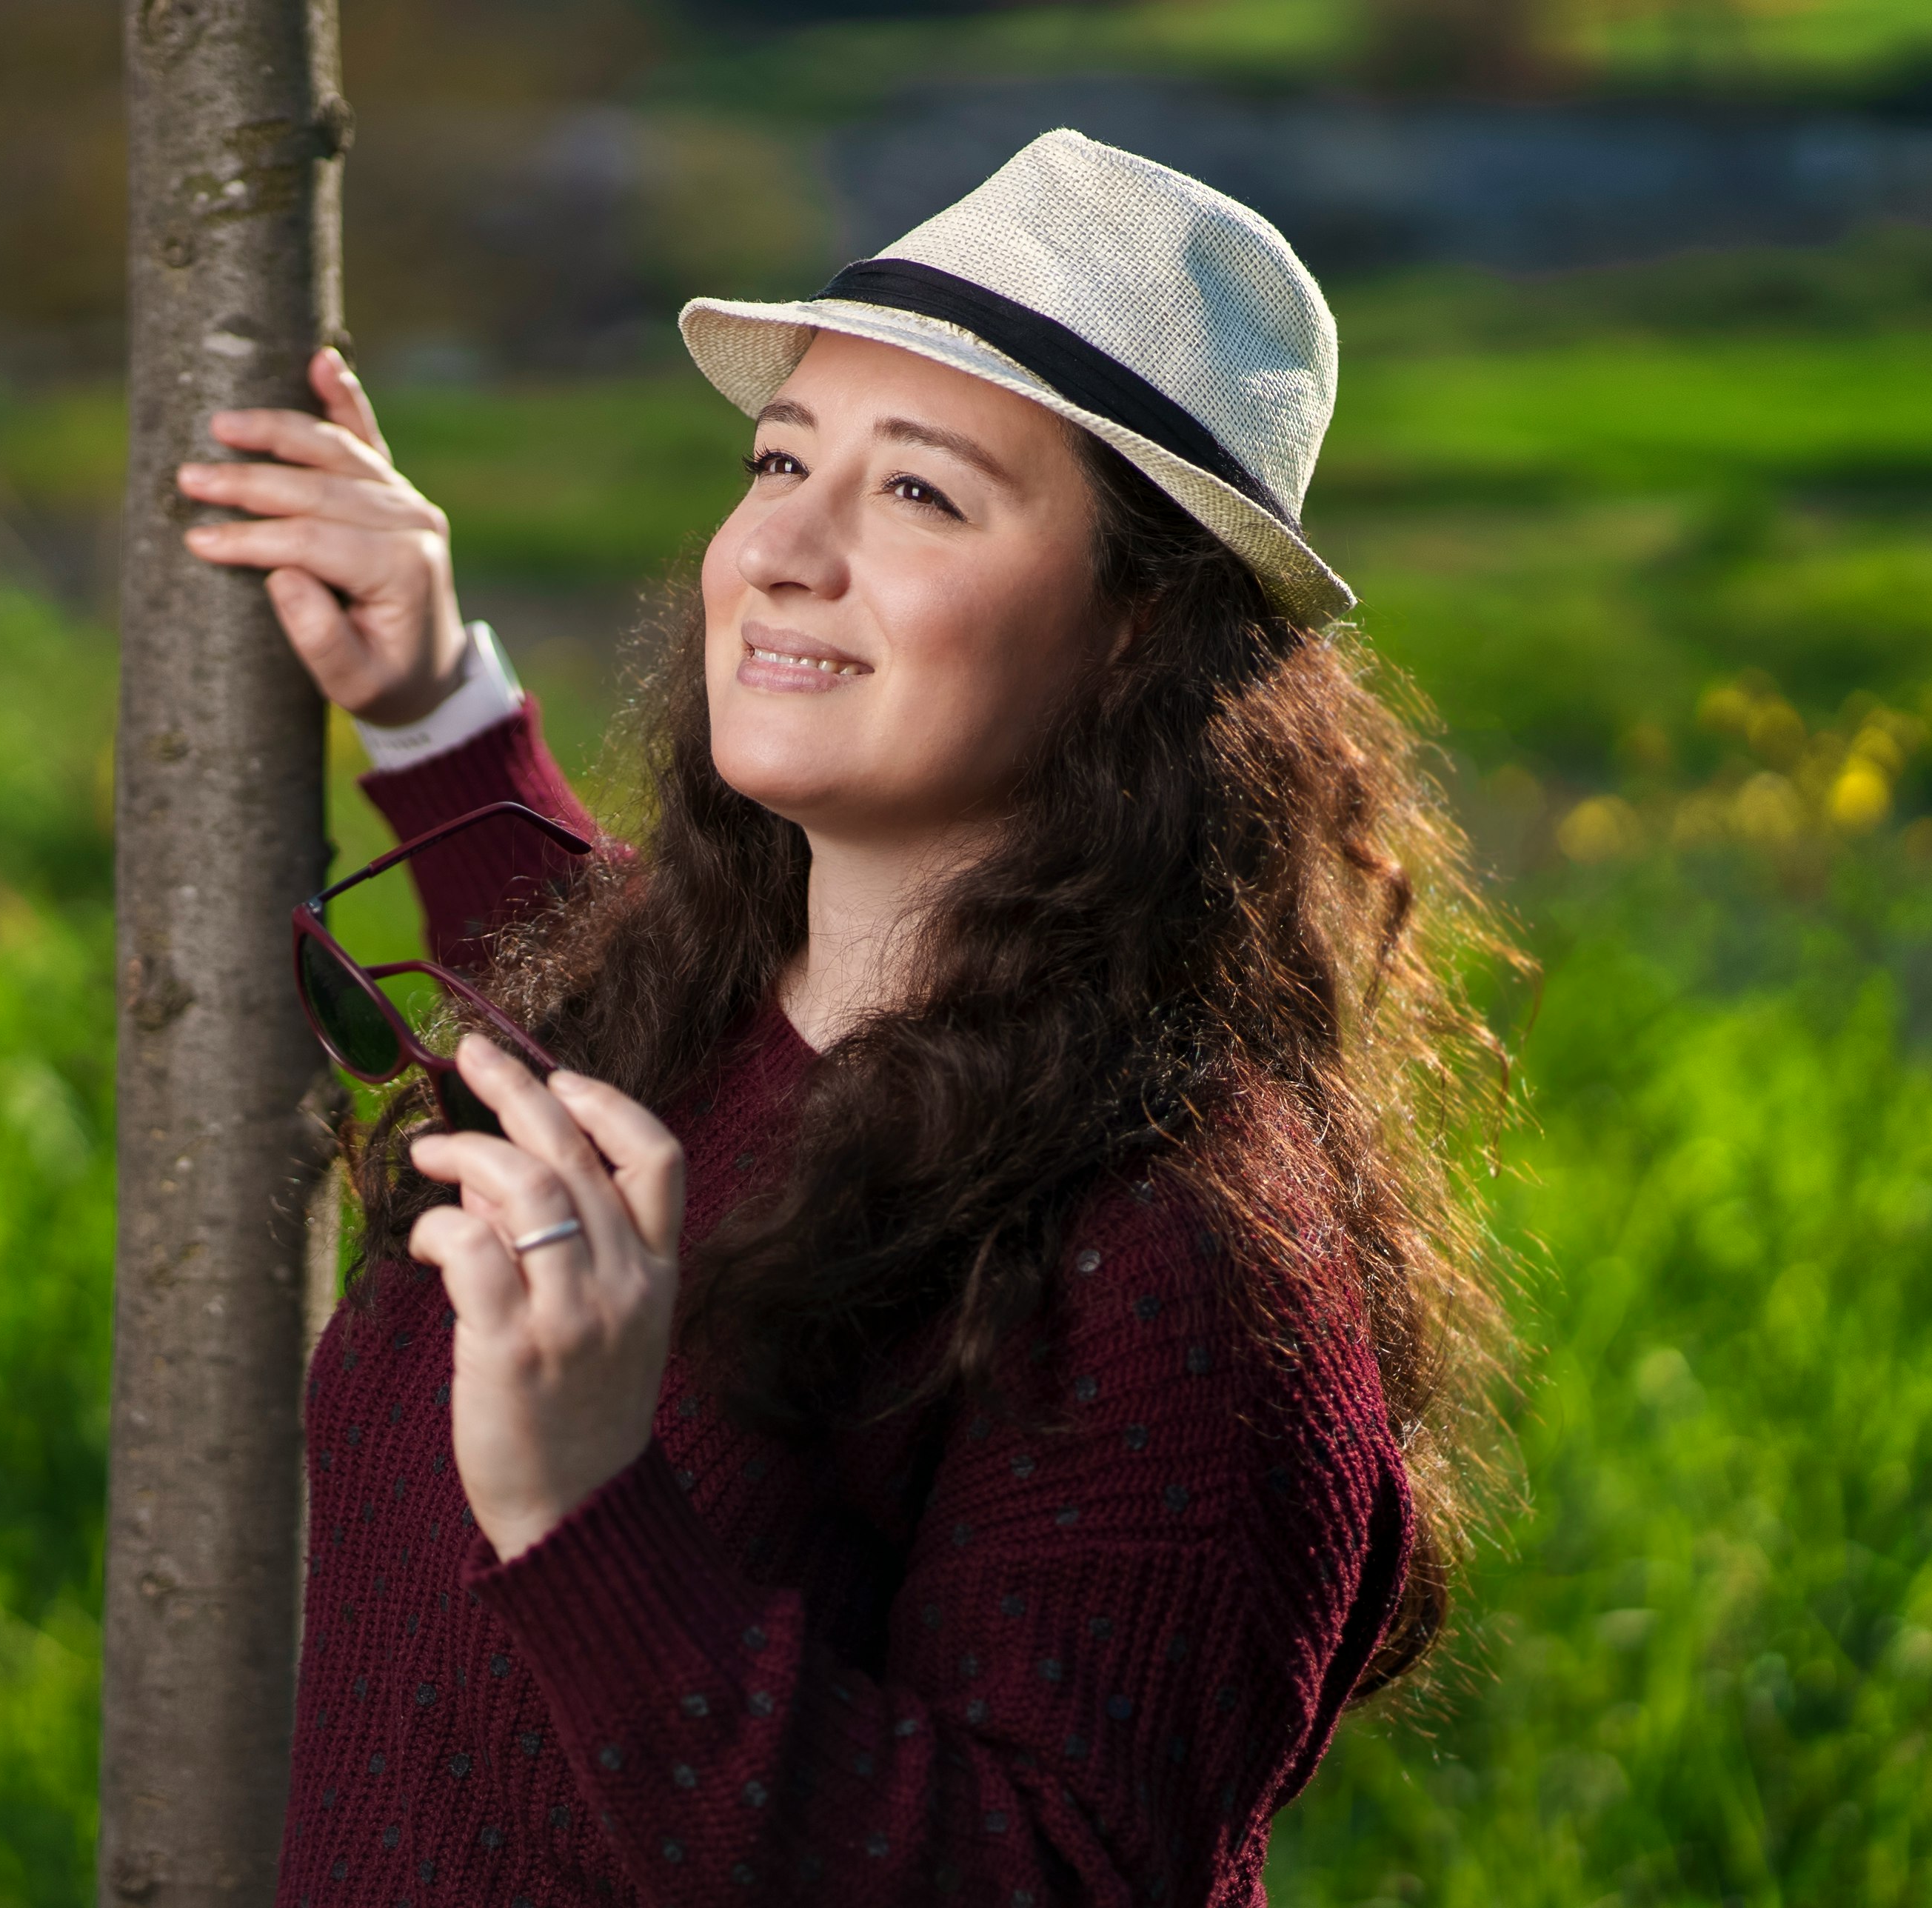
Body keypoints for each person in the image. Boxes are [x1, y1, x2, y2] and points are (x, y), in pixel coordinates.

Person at [179, 130, 1510, 1908]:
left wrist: (589, 1521)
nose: (782, 549)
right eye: (779, 457)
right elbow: (671, 1085)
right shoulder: (682, 995)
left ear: (1140, 631)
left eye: (919, 495)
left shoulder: (1177, 1267)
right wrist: (429, 696)